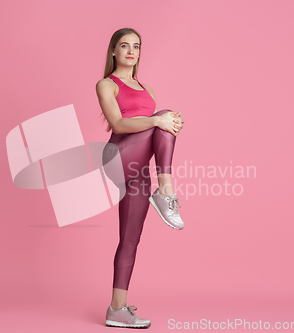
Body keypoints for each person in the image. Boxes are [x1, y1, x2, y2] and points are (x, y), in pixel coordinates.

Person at [96, 28, 185, 329]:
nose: (131, 51)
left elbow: (154, 131)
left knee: (130, 240)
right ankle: (166, 193)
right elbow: (119, 124)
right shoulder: (107, 84)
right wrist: (161, 120)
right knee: (164, 116)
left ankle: (116, 309)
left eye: (136, 46)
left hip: (140, 171)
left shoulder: (148, 90)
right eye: (124, 46)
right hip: (117, 157)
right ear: (113, 51)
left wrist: (169, 125)